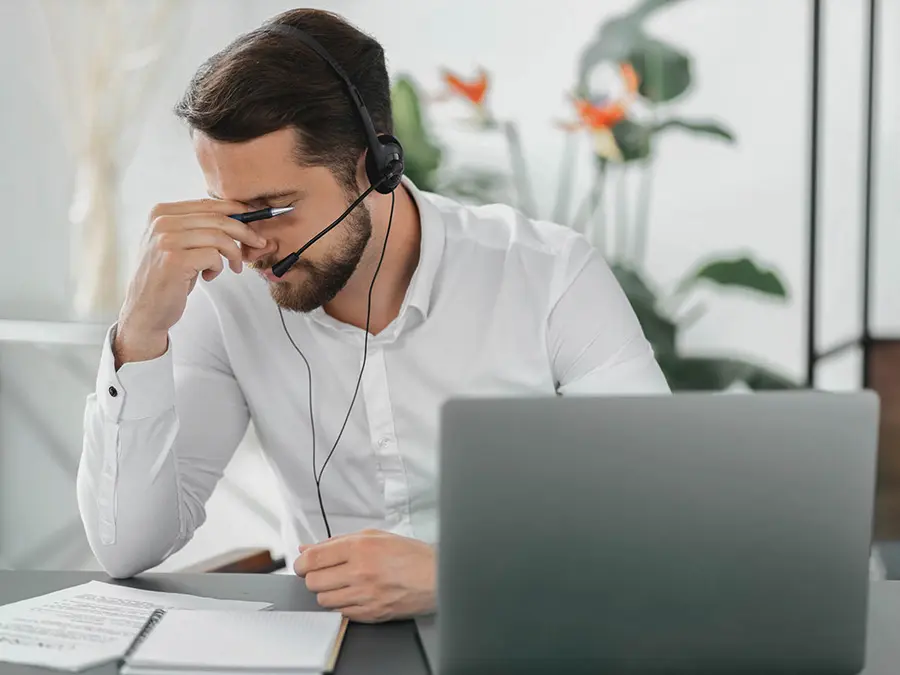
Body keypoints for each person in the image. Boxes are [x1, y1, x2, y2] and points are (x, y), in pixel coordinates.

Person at [77, 7, 669, 623]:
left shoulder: (548, 274)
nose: (248, 245)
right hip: (322, 647)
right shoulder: (225, 293)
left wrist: (458, 575)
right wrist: (139, 333)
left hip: (524, 628)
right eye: (227, 210)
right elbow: (127, 547)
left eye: (272, 208)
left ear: (375, 167)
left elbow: (661, 518)